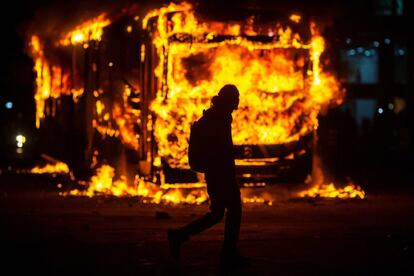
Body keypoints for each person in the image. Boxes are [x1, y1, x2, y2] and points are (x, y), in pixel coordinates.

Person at [167, 84, 248, 269]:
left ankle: (179, 236)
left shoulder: (217, 115)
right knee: (232, 211)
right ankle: (227, 255)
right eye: (235, 99)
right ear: (229, 99)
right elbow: (219, 150)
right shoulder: (218, 118)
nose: (237, 102)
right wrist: (236, 151)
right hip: (220, 174)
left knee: (218, 214)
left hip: (218, 173)